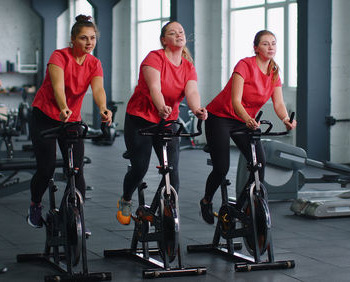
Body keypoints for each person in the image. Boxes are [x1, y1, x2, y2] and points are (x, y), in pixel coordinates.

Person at [200, 30, 297, 224]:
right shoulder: (244, 65)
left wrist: (286, 118)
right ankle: (206, 200)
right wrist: (247, 119)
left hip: (245, 120)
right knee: (221, 167)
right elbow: (236, 101)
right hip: (220, 116)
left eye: (273, 43)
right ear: (255, 48)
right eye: (265, 44)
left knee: (259, 163)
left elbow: (278, 103)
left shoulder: (274, 72)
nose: (271, 47)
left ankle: (239, 206)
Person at [116, 21, 208, 225]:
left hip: (167, 121)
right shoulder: (154, 58)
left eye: (181, 32)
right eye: (172, 33)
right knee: (140, 168)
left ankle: (153, 212)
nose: (178, 35)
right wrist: (160, 106)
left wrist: (196, 109)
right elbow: (154, 88)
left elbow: (192, 92)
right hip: (141, 119)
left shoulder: (188, 67)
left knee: (172, 176)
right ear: (163, 40)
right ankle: (126, 199)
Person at [27, 15, 112, 231]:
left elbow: (98, 89)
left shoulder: (94, 63)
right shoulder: (59, 56)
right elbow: (57, 87)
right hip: (45, 116)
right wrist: (63, 106)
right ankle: (35, 205)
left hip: (71, 119)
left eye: (92, 38)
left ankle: (69, 218)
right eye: (84, 38)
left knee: (76, 172)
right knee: (45, 170)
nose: (89, 42)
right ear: (72, 40)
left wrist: (103, 108)